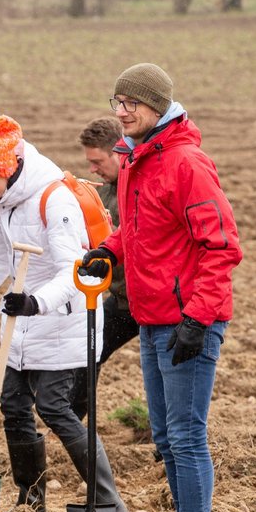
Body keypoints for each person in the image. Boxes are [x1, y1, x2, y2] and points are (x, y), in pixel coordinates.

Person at [82, 63, 242, 512]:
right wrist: (106, 251)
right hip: (152, 318)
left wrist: (198, 317)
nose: (122, 111)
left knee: (187, 437)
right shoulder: (135, 161)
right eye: (117, 101)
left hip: (188, 320)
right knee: (169, 441)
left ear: (158, 106)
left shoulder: (187, 163)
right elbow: (138, 229)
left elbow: (221, 246)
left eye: (133, 103)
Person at [0, 115, 127, 512]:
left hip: (63, 322)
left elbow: (75, 272)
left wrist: (34, 303)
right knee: (13, 405)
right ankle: (31, 502)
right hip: (21, 328)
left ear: (5, 171)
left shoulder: (54, 199)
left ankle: (112, 504)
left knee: (55, 408)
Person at [70, 116, 140, 420]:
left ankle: (167, 441)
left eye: (97, 161)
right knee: (89, 352)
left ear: (118, 152)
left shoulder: (140, 186)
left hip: (156, 300)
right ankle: (71, 425)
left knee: (166, 371)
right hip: (125, 300)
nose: (92, 169)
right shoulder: (107, 191)